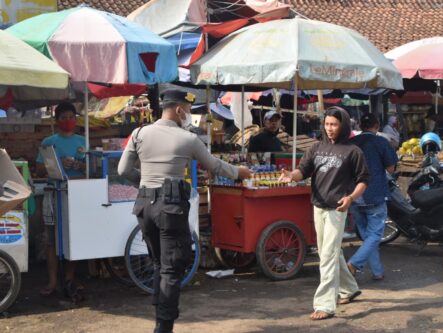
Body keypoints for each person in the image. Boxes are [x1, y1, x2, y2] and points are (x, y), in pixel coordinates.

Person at [118, 90, 251, 333]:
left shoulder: (138, 133)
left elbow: (123, 170)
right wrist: (238, 172)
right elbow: (215, 165)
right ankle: (164, 326)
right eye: (188, 111)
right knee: (171, 268)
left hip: (144, 205)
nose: (188, 115)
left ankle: (159, 317)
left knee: (159, 263)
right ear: (179, 110)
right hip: (170, 207)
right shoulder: (188, 139)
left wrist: (147, 185)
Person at [279, 106, 369, 321]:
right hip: (318, 206)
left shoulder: (353, 151)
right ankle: (349, 288)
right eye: (327, 124)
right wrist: (292, 175)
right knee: (330, 252)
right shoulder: (316, 148)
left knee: (327, 256)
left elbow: (363, 180)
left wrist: (350, 198)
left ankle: (325, 304)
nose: (330, 129)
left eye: (334, 125)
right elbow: (303, 171)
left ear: (343, 126)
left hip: (338, 209)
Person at [36, 102, 86, 299]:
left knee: (73, 236)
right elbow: (39, 169)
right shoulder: (49, 142)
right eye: (63, 117)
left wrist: (80, 165)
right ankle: (53, 281)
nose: (68, 121)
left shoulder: (83, 141)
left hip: (76, 192)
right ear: (57, 121)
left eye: (71, 116)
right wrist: (56, 163)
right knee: (51, 239)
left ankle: (70, 278)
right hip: (53, 192)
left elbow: (93, 167)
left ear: (76, 119)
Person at [347, 113, 398, 281]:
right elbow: (391, 168)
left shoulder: (351, 143)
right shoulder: (381, 142)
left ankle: (377, 272)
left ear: (360, 126)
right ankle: (353, 263)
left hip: (354, 195)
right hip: (374, 193)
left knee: (369, 238)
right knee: (375, 235)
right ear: (377, 126)